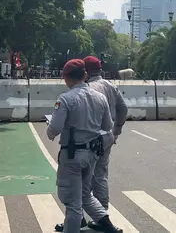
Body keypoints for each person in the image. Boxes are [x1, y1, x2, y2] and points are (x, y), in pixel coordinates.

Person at [46, 59, 123, 233]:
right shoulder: (100, 97)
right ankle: (108, 226)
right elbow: (106, 127)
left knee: (72, 202)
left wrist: (50, 128)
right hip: (92, 154)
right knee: (85, 194)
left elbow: (54, 129)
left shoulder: (65, 99)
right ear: (85, 75)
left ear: (65, 78)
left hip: (72, 155)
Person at [82, 56, 128, 231]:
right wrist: (116, 130)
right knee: (100, 175)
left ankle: (80, 216)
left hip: (90, 139)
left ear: (85, 72)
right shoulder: (110, 86)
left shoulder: (87, 88)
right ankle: (102, 213)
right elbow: (123, 109)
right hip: (107, 137)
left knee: (81, 177)